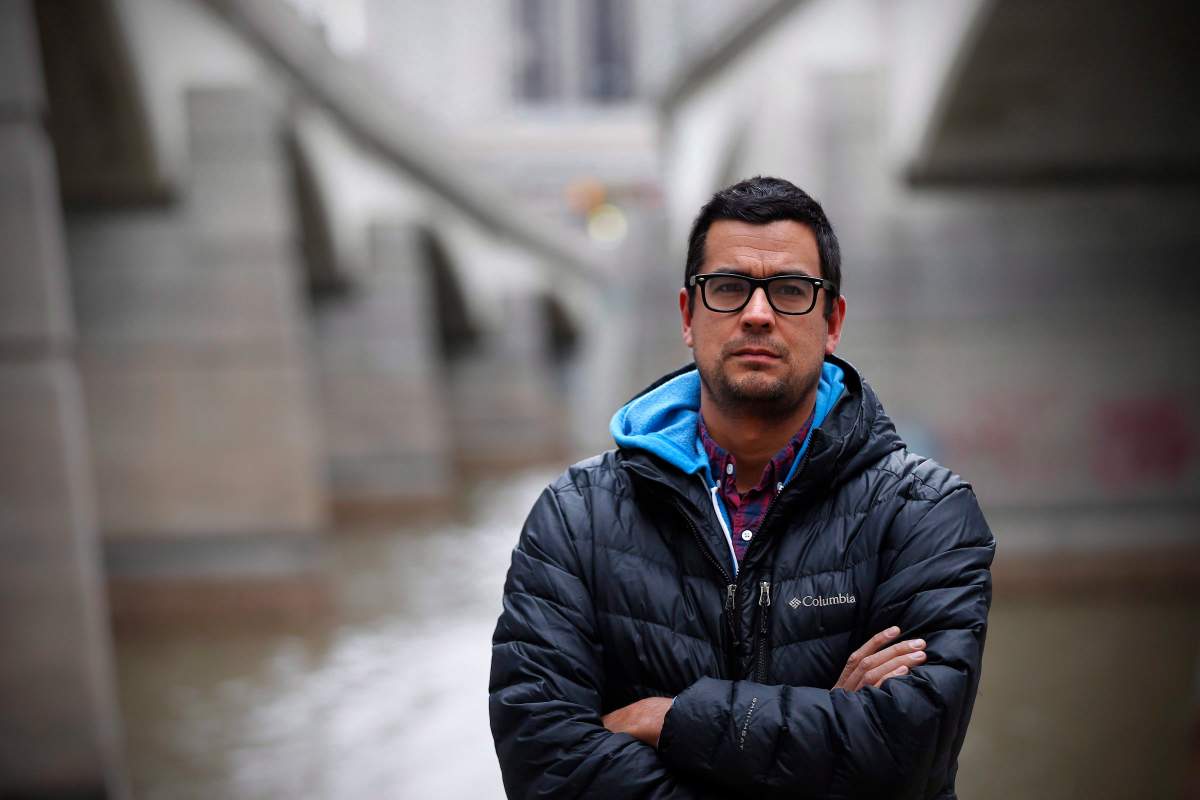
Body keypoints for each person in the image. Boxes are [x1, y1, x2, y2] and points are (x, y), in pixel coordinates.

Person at [489, 176, 995, 798]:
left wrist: (673, 720)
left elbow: (907, 753)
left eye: (790, 291)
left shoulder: (924, 513)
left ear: (832, 321)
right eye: (729, 288)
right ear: (688, 315)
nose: (758, 314)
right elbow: (545, 767)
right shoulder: (576, 518)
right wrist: (824, 732)